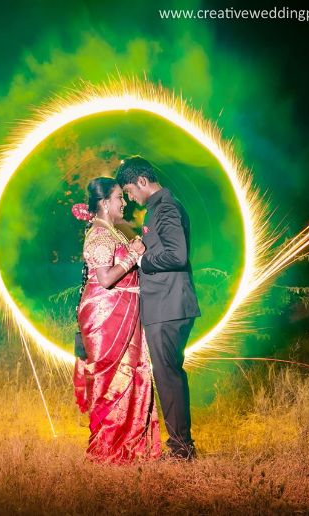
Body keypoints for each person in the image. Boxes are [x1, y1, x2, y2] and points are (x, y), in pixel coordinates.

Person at [116, 156, 201, 460]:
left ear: (141, 181)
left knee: (168, 376)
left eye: (129, 191)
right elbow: (167, 248)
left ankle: (181, 449)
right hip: (169, 304)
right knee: (169, 374)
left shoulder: (164, 207)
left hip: (168, 305)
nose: (130, 198)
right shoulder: (159, 208)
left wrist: (142, 261)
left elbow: (177, 255)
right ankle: (181, 446)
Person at [72, 177, 161, 464]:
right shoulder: (99, 235)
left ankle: (130, 443)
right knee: (111, 379)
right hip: (106, 314)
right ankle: (108, 445)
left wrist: (132, 248)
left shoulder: (113, 231)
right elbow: (105, 278)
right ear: (104, 203)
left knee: (133, 372)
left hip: (124, 310)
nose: (124, 202)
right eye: (118, 198)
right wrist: (133, 256)